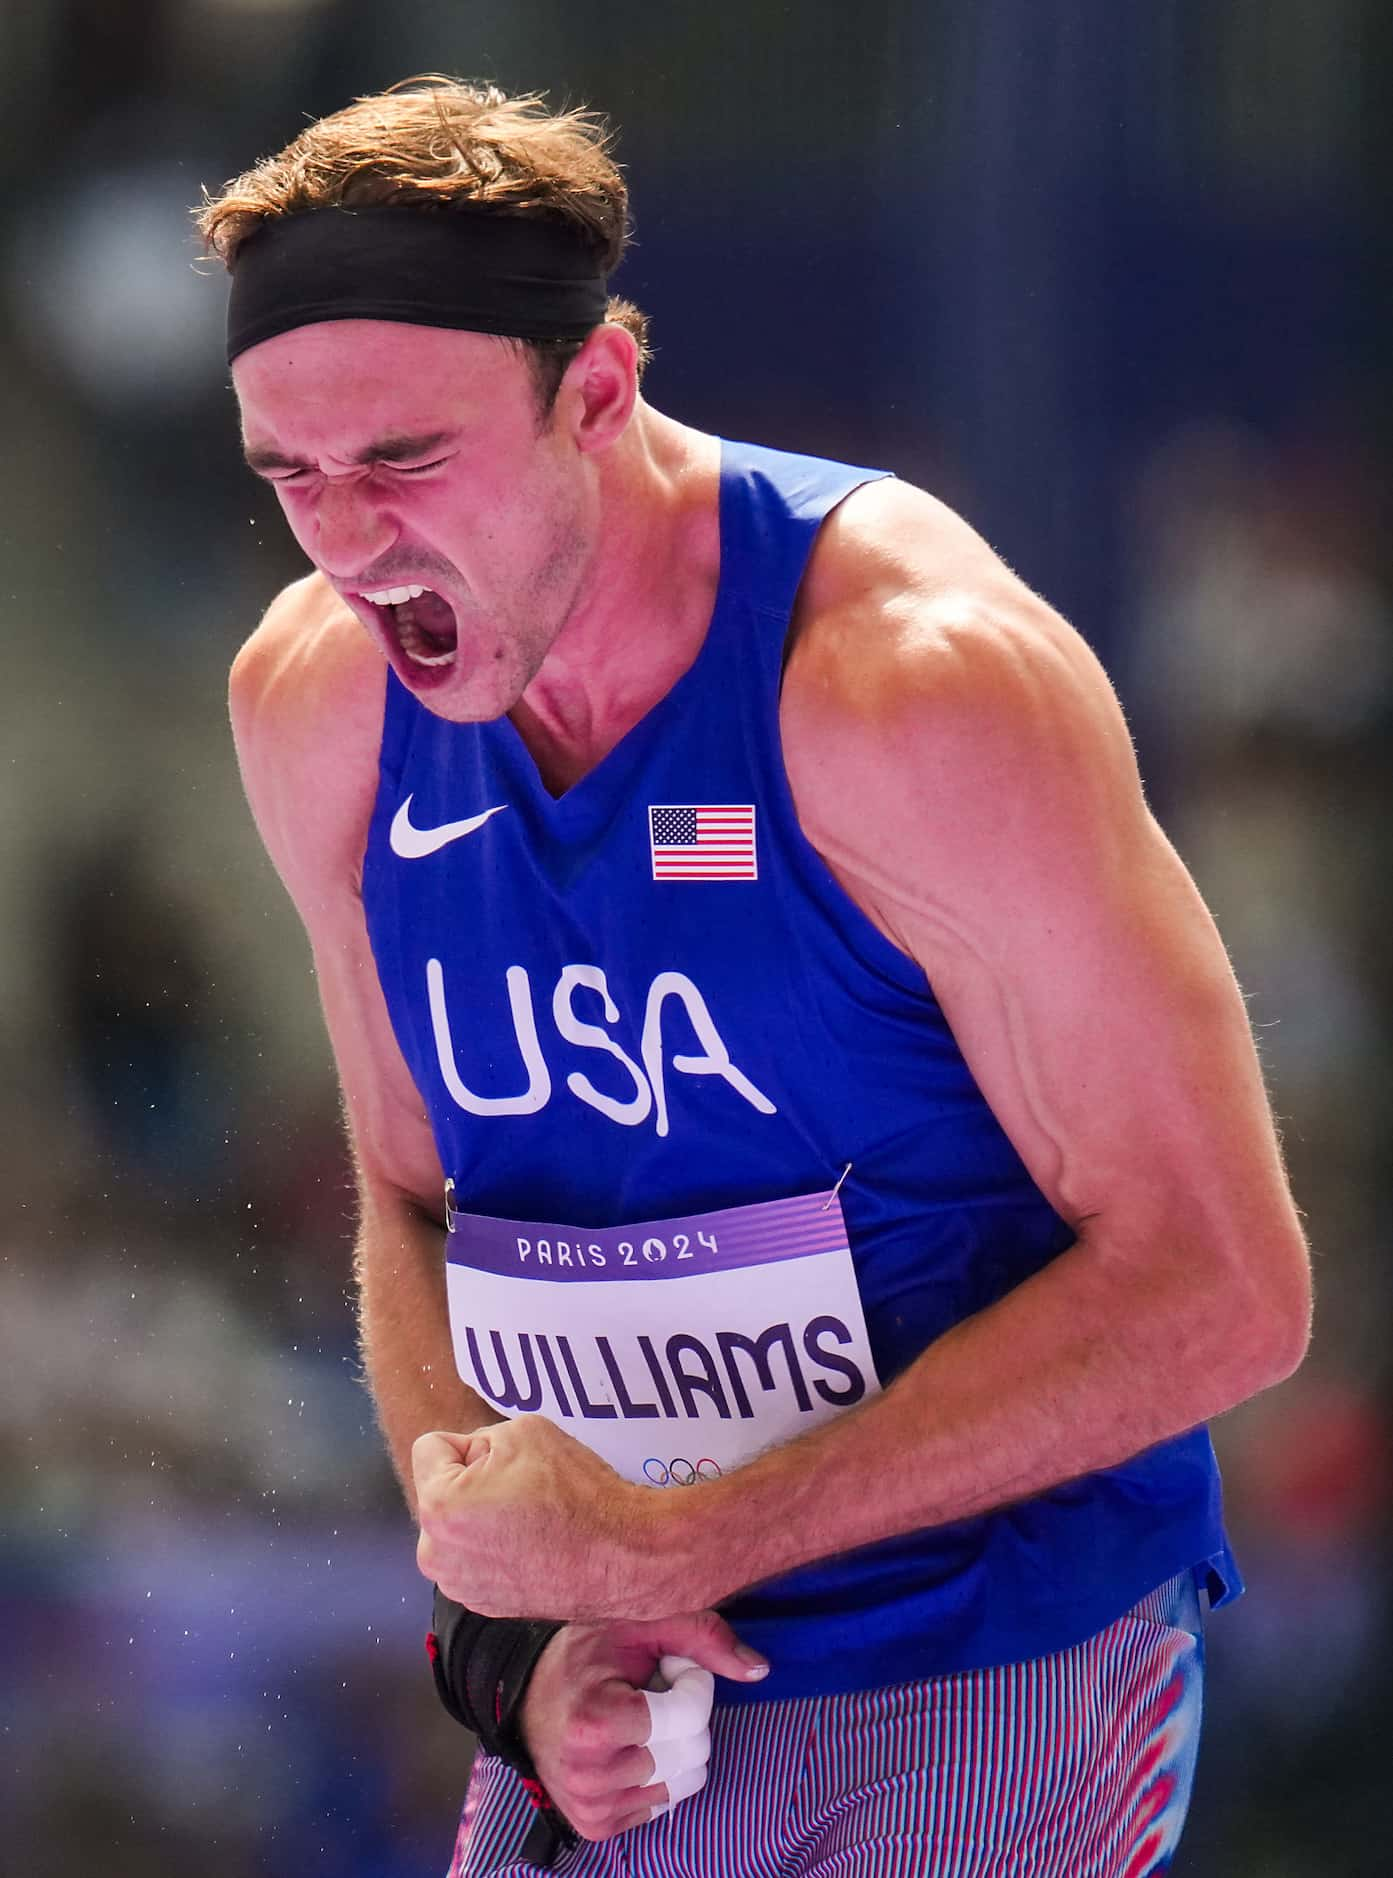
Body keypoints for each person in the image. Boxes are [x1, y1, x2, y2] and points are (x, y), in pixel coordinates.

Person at [202, 77, 1311, 1877]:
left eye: (405, 460)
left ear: (599, 396)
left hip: (995, 1652)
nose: (343, 539)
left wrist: (683, 1538)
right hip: (634, 1690)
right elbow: (414, 1206)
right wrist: (516, 1626)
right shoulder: (317, 705)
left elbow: (1229, 1292)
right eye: (289, 476)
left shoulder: (908, 689)